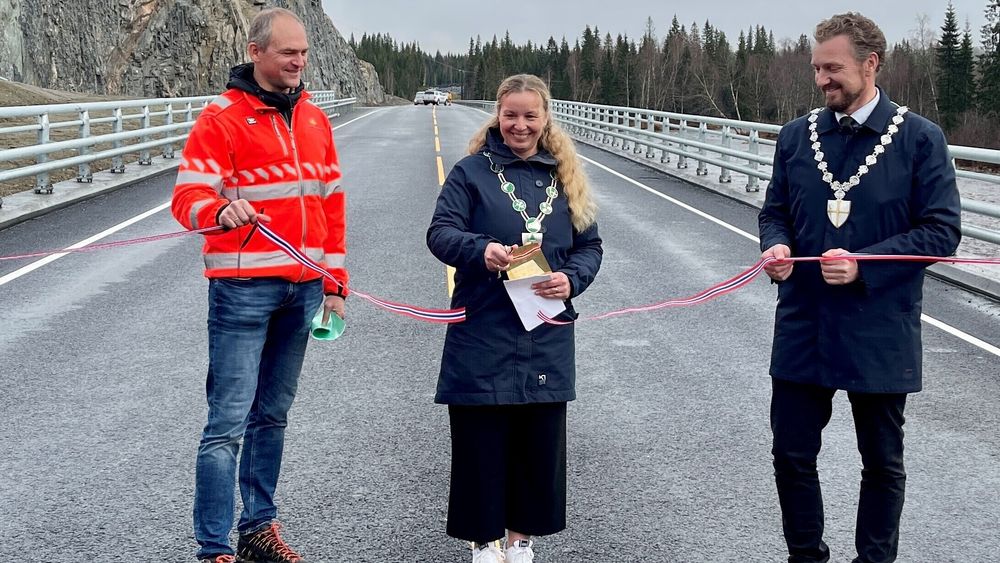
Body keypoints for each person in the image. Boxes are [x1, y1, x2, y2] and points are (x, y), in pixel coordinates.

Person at [758, 12, 961, 563]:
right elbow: (774, 212)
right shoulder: (797, 136)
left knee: (882, 462)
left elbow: (942, 231)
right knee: (791, 456)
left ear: (871, 64)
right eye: (817, 69)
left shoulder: (920, 138)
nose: (823, 79)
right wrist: (774, 247)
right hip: (804, 322)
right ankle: (807, 557)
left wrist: (864, 264)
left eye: (834, 68)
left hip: (880, 327)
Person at [171, 7, 348, 563]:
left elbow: (332, 207)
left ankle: (258, 529)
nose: (299, 62)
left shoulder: (315, 120)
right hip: (242, 292)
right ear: (256, 52)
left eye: (303, 53)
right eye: (288, 53)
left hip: (305, 293)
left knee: (272, 417)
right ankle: (213, 548)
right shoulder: (220, 119)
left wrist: (336, 282)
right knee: (227, 422)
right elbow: (185, 199)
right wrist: (218, 211)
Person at [426, 74, 602, 563]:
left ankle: (521, 543)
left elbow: (590, 247)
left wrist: (571, 280)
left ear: (545, 118)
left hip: (546, 330)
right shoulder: (469, 173)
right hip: (482, 328)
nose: (520, 125)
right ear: (497, 116)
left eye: (530, 116)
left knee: (537, 447)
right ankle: (485, 544)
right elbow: (440, 233)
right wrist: (481, 250)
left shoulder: (566, 178)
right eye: (511, 115)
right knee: (481, 443)